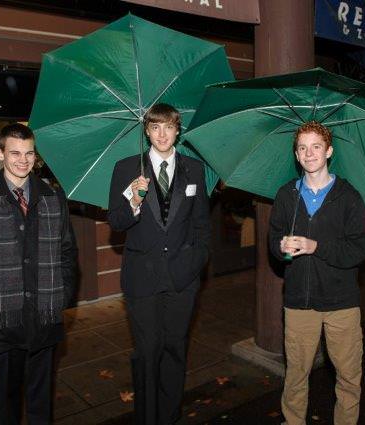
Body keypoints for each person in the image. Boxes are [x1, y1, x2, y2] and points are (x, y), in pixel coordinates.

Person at [0, 123, 77, 425]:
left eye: (29, 153)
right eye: (15, 153)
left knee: (41, 401)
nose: (23, 160)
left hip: (44, 316)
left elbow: (68, 254)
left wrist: (61, 296)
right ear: (0, 154)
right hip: (3, 321)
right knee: (8, 401)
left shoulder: (52, 197)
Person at [108, 103, 211, 425]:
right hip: (142, 279)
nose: (162, 134)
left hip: (182, 279)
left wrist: (194, 264)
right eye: (155, 128)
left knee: (174, 350)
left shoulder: (194, 170)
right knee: (147, 352)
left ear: (178, 130)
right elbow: (117, 222)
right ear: (147, 131)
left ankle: (169, 417)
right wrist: (134, 202)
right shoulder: (127, 169)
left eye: (168, 127)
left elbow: (202, 225)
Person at [269, 121, 365, 425]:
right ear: (296, 155)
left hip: (342, 303)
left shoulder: (348, 196)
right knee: (296, 375)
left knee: (349, 376)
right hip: (299, 301)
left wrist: (317, 246)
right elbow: (273, 241)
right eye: (302, 147)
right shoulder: (287, 194)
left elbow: (360, 248)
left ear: (329, 151)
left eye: (316, 146)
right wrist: (280, 244)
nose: (308, 153)